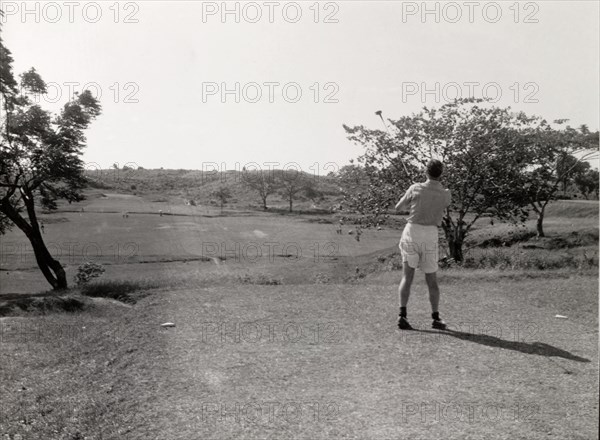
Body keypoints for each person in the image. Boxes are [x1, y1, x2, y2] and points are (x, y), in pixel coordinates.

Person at [394, 159, 451, 330]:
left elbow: (398, 207)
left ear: (426, 171)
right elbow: (442, 203)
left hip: (412, 232)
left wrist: (412, 198)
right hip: (430, 234)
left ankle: (402, 316)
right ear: (441, 173)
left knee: (407, 277)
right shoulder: (446, 193)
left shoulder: (415, 187)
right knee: (431, 280)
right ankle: (436, 318)